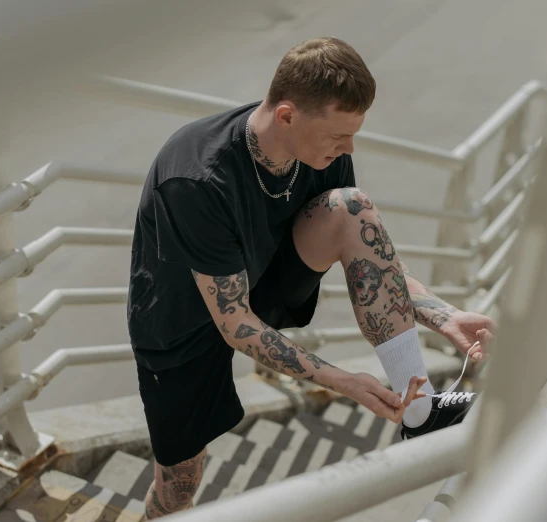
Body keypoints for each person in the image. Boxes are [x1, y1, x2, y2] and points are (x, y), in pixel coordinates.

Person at [127, 36, 496, 519]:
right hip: (183, 325)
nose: (348, 148)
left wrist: (445, 317)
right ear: (286, 116)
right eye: (338, 136)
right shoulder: (197, 178)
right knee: (180, 484)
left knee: (352, 206)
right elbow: (234, 322)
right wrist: (341, 380)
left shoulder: (321, 149)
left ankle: (421, 412)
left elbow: (368, 250)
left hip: (266, 277)